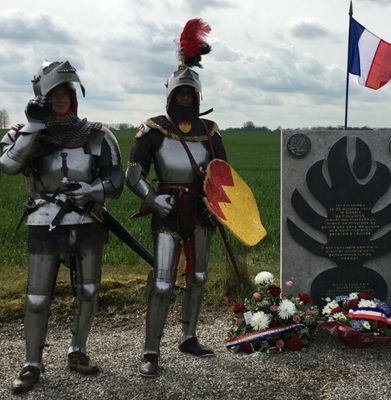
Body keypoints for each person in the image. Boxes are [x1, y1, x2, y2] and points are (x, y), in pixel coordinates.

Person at [0, 60, 123, 394]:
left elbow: (116, 180)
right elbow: (8, 164)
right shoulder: (24, 134)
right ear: (42, 95)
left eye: (66, 92)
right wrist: (34, 126)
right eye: (54, 93)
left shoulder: (98, 133)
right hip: (44, 221)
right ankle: (31, 364)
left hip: (88, 220)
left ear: (74, 95)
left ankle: (78, 351)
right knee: (38, 297)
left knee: (89, 291)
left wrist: (91, 191)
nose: (61, 99)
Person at [125, 62, 227, 376]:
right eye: (180, 93)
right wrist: (152, 198)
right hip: (166, 210)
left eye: (190, 93)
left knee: (197, 278)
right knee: (161, 282)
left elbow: (222, 174)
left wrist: (217, 205)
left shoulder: (209, 132)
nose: (185, 98)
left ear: (197, 96)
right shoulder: (153, 130)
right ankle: (151, 351)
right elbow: (133, 174)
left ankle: (188, 337)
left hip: (199, 209)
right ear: (171, 95)